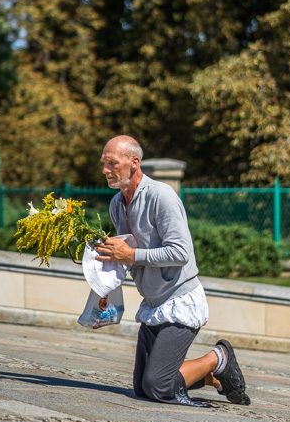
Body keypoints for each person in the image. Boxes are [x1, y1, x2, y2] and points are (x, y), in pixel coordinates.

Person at [95, 134, 251, 407]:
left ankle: (218, 357)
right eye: (103, 163)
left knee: (157, 386)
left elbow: (181, 252)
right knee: (142, 389)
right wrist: (106, 255)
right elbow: (130, 254)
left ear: (134, 163)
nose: (105, 170)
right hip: (153, 303)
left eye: (112, 163)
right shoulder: (116, 204)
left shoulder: (161, 196)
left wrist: (130, 254)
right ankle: (212, 376)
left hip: (180, 300)